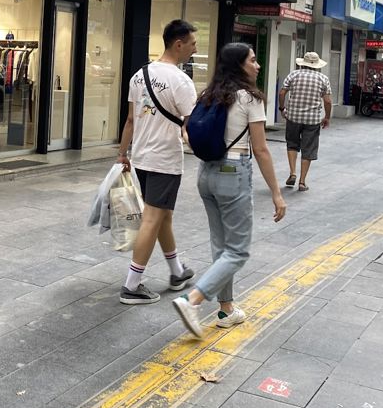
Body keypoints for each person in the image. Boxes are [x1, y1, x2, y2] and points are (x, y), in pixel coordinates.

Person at [172, 43, 286, 339]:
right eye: (253, 60)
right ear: (239, 65)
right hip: (233, 173)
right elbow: (261, 149)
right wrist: (276, 192)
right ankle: (192, 300)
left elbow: (187, 132)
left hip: (205, 174)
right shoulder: (249, 98)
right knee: (238, 251)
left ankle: (226, 309)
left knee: (221, 246)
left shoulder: (207, 95)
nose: (257, 65)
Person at [117, 19, 198, 305]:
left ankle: (177, 271)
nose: (195, 49)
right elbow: (190, 126)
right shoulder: (182, 81)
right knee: (153, 217)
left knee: (162, 215)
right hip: (165, 158)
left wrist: (123, 154)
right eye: (192, 44)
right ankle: (131, 285)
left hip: (141, 157)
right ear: (178, 44)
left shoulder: (139, 75)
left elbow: (130, 120)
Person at [278, 51, 332, 192]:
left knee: (292, 144)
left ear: (303, 64)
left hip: (293, 117)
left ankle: (292, 173)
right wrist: (327, 117)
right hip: (312, 120)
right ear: (317, 65)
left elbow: (282, 93)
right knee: (308, 149)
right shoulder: (323, 78)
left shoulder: (293, 75)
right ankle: (302, 182)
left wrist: (282, 108)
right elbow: (327, 101)